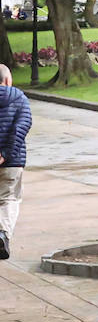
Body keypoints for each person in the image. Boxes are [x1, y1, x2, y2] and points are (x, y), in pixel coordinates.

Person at [0, 64, 32, 260]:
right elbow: (23, 125)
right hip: (12, 162)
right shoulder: (19, 97)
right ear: (7, 80)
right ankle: (2, 233)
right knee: (9, 198)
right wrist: (5, 154)